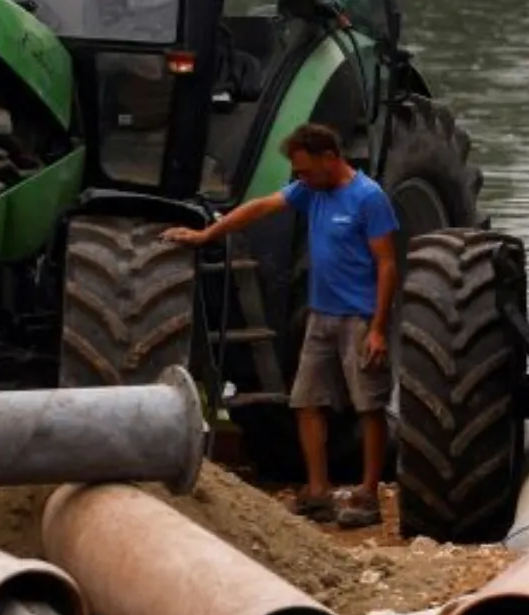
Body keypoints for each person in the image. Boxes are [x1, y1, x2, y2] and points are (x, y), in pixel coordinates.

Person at [166, 123, 398, 529]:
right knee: (305, 401)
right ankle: (317, 492)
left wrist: (379, 328)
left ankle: (367, 494)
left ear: (330, 158)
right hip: (320, 316)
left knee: (368, 407)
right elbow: (259, 208)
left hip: (358, 318)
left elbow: (387, 264)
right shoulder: (310, 192)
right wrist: (206, 235)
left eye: (306, 170)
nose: (301, 178)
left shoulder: (368, 197)